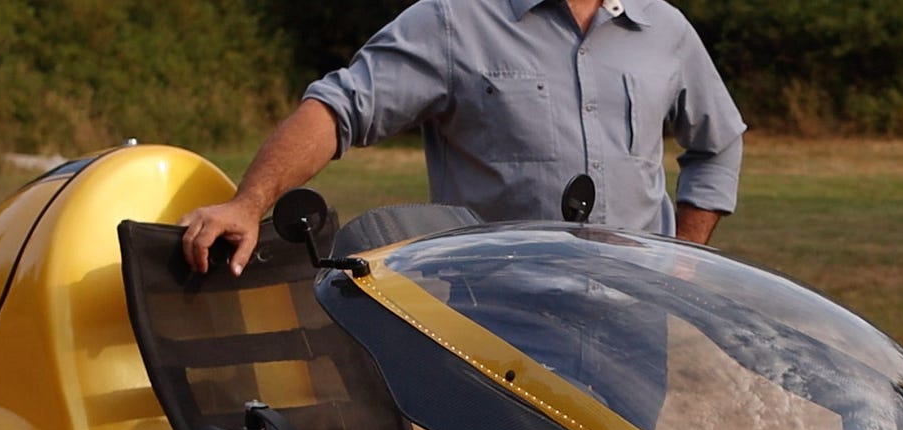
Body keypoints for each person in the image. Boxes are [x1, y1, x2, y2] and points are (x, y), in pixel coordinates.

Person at [179, 0, 745, 276]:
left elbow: (717, 143)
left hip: (637, 319)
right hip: (500, 323)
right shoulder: (454, 19)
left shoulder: (664, 28)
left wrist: (685, 259)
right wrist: (249, 203)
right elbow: (339, 108)